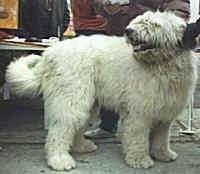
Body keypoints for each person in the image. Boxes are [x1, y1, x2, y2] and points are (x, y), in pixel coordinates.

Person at [72, 0, 191, 138]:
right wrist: (107, 7)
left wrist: (171, 19)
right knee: (117, 89)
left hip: (161, 35)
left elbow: (179, 3)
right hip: (122, 34)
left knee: (163, 97)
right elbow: (98, 4)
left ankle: (157, 142)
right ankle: (109, 128)